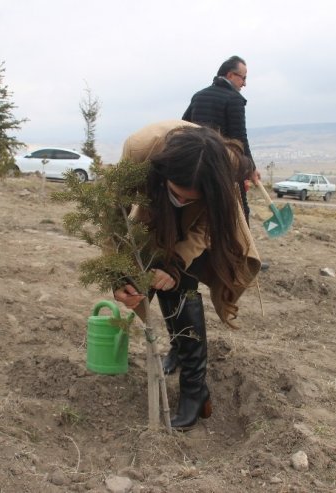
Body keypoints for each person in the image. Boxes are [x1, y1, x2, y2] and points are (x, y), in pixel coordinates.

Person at [114, 120, 261, 429]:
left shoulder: (226, 167)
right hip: (154, 208)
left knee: (181, 278)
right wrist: (118, 276)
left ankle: (195, 388)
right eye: (177, 194)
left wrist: (177, 264)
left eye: (189, 198)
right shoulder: (140, 151)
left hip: (208, 218)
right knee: (155, 270)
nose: (181, 201)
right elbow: (112, 215)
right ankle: (180, 350)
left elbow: (207, 228)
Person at [182, 55, 258, 224]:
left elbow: (184, 126)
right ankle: (241, 248)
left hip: (195, 166)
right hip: (222, 167)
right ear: (231, 75)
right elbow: (240, 138)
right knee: (239, 213)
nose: (244, 83)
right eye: (243, 78)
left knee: (197, 215)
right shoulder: (235, 99)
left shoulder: (198, 96)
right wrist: (250, 168)